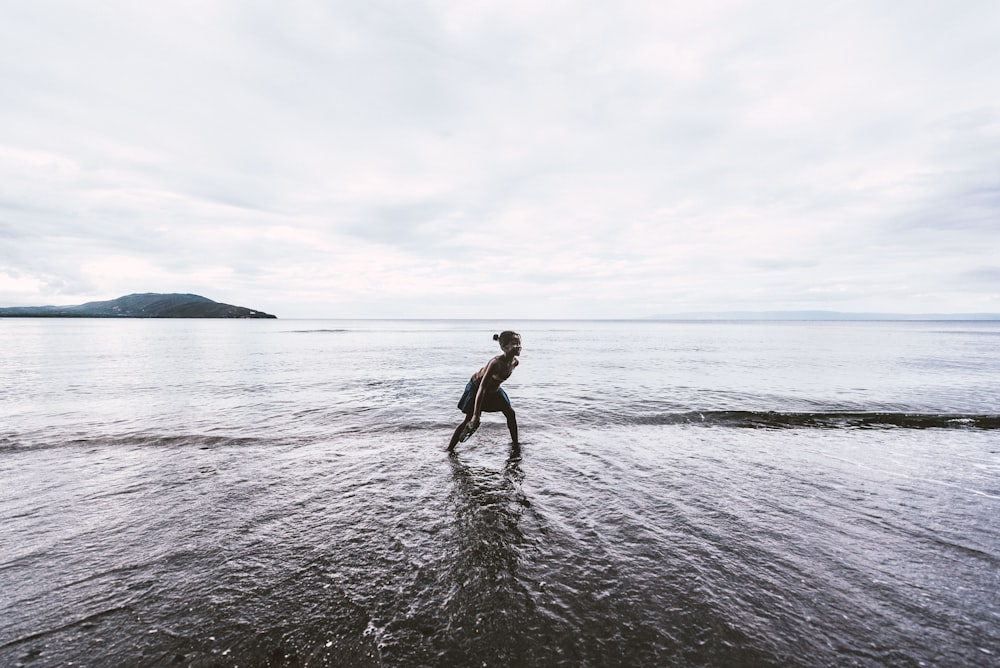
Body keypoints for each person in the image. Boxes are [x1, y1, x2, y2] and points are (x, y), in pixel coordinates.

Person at [448, 331, 521, 452]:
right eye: (514, 343)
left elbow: (496, 381)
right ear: (504, 347)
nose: (518, 346)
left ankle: (515, 445)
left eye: (519, 343)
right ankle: (450, 449)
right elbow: (482, 387)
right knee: (469, 419)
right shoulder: (495, 363)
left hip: (494, 390)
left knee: (510, 413)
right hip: (477, 388)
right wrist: (476, 415)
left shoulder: (515, 362)